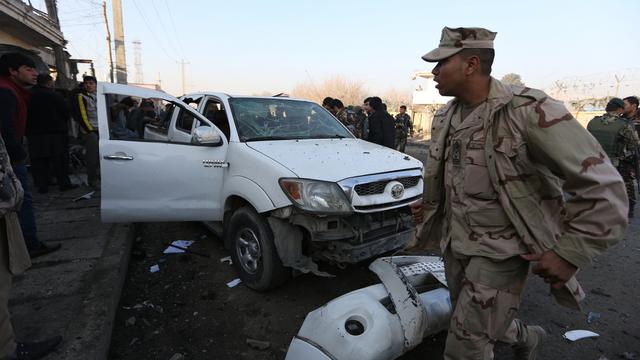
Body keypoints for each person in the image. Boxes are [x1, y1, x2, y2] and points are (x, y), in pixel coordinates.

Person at [410, 27, 628, 360]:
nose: (435, 72)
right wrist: (429, 204)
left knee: (465, 346)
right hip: (456, 245)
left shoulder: (528, 110)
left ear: (471, 64)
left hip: (503, 254)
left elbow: (605, 187)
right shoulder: (445, 117)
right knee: (472, 320)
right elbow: (457, 174)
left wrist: (570, 252)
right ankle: (527, 338)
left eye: (441, 63)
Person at [0, 53, 61, 259]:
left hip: (11, 156)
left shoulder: (14, 91)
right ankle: (30, 244)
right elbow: (5, 130)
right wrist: (18, 155)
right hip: (9, 159)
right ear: (13, 71)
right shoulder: (6, 92)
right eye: (29, 69)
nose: (35, 73)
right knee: (22, 200)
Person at [587, 98, 639, 218]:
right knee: (626, 185)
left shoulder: (593, 122)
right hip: (617, 162)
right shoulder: (624, 124)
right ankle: (627, 211)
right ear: (620, 109)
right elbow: (634, 144)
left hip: (596, 161)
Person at [27, 74, 77, 194]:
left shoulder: (28, 95)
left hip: (34, 134)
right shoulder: (54, 95)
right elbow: (65, 112)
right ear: (49, 83)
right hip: (55, 133)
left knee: (39, 161)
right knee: (59, 160)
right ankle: (63, 184)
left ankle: (43, 185)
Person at [72, 75, 99, 189]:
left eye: (91, 83)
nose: (88, 85)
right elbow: (82, 116)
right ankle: (92, 181)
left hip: (101, 129)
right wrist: (89, 131)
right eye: (86, 83)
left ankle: (100, 178)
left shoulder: (99, 96)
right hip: (89, 131)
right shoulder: (81, 97)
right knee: (92, 157)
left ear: (96, 85)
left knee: (101, 156)